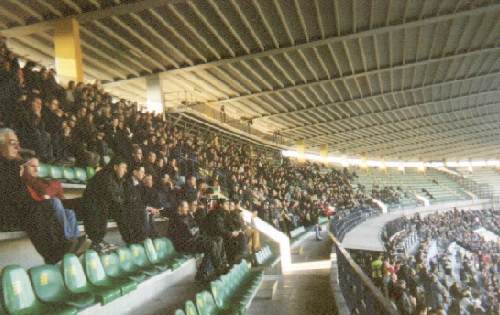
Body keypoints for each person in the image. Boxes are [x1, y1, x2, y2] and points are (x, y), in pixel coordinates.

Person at [0, 128, 68, 263]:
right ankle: (54, 254)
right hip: (4, 212)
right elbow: (8, 193)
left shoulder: (14, 164)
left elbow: (34, 187)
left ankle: (64, 245)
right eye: (12, 143)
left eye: (18, 143)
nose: (18, 147)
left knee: (48, 204)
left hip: (16, 209)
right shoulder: (8, 167)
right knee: (34, 209)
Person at [21, 156, 90, 254]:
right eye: (32, 166)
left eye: (37, 166)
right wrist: (51, 189)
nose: (36, 169)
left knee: (69, 212)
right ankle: (68, 238)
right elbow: (46, 190)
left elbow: (55, 191)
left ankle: (75, 239)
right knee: (55, 201)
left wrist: (50, 191)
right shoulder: (25, 178)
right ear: (24, 167)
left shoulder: (39, 180)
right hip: (35, 209)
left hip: (46, 207)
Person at [82, 156, 128, 252]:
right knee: (117, 210)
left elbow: (120, 196)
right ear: (115, 167)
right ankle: (95, 242)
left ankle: (130, 240)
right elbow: (112, 196)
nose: (125, 170)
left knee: (123, 210)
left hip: (102, 205)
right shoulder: (105, 176)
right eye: (123, 167)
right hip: (92, 206)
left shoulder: (117, 179)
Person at [224, 200, 247, 264]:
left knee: (242, 235)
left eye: (232, 206)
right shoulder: (225, 214)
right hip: (227, 235)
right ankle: (241, 254)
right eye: (229, 205)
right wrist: (233, 232)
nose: (230, 207)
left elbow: (240, 225)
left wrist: (238, 230)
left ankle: (242, 254)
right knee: (242, 236)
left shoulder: (234, 214)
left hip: (233, 234)